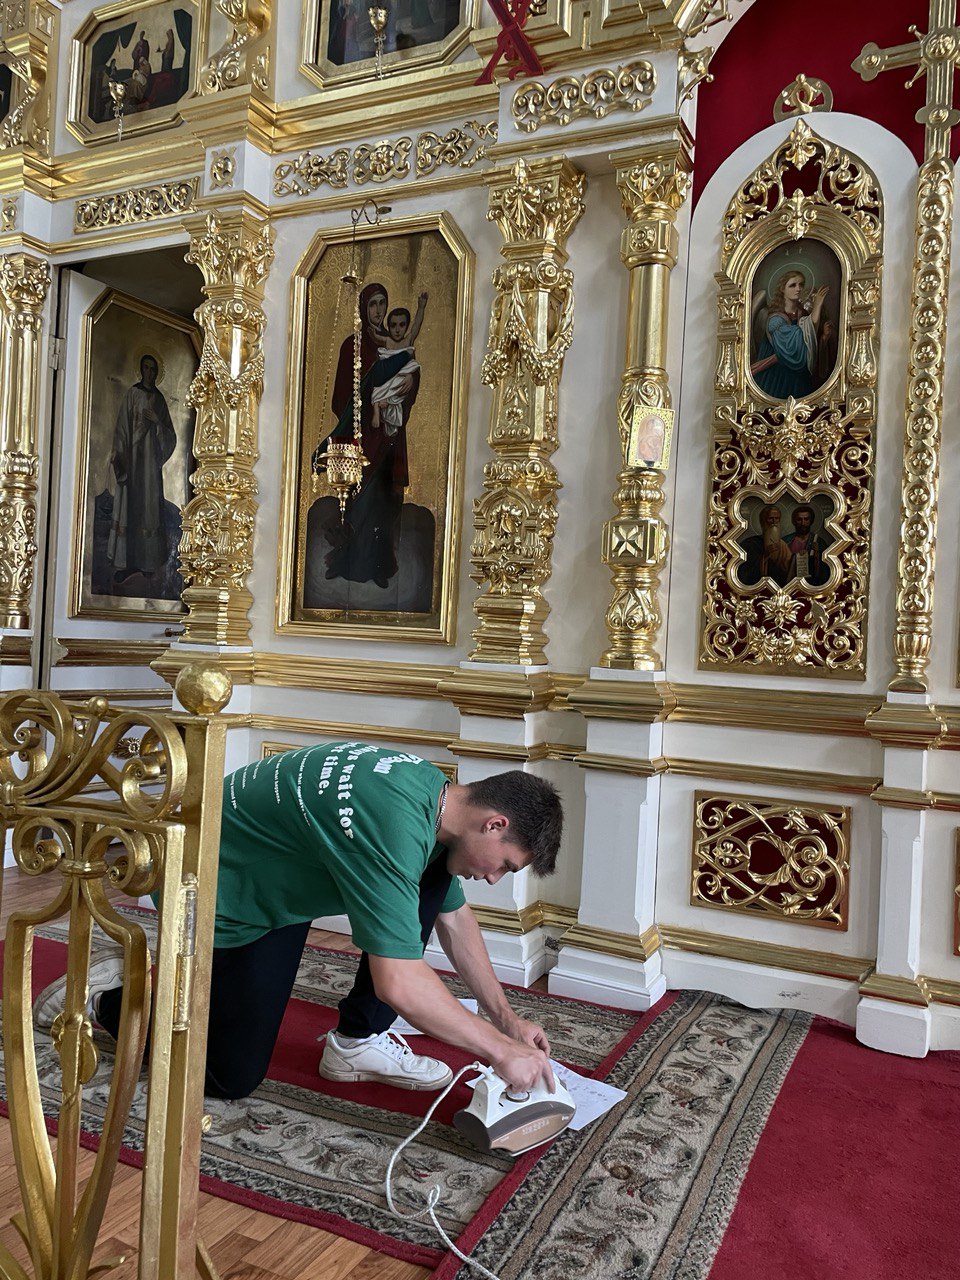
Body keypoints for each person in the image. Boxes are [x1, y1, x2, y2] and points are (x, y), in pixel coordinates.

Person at [85, 744, 563, 1101]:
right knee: (227, 1076)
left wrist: (506, 1022)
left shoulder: (434, 794)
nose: (495, 879)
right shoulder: (392, 823)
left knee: (436, 873)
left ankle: (358, 1041)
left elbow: (453, 917)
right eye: (506, 865)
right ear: (495, 824)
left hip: (276, 876)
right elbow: (398, 982)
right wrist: (500, 1052)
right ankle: (110, 998)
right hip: (217, 891)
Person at [318, 281, 420, 589]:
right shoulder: (353, 345)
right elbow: (340, 397)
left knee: (384, 501)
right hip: (362, 437)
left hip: (390, 436)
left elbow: (410, 371)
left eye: (382, 304)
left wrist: (410, 383)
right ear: (364, 307)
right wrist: (363, 411)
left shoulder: (395, 341)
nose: (378, 310)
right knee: (358, 500)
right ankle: (346, 561)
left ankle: (379, 565)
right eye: (373, 304)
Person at [106, 353, 176, 585]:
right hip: (133, 463)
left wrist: (157, 422)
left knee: (148, 510)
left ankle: (148, 562)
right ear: (141, 370)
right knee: (131, 509)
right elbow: (122, 429)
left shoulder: (160, 400)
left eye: (153, 369)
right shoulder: (132, 395)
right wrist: (121, 457)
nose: (149, 373)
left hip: (150, 469)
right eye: (146, 368)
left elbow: (170, 436)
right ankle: (127, 564)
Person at [751, 270, 829, 399]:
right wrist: (817, 306)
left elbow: (809, 348)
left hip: (800, 378)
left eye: (801, 284)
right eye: (793, 285)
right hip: (777, 378)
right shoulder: (775, 319)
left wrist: (824, 339)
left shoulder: (803, 314)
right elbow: (791, 348)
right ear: (782, 289)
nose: (798, 289)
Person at [371, 292, 428, 433]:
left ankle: (386, 405)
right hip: (388, 379)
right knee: (379, 391)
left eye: (402, 325)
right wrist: (372, 333)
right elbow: (376, 338)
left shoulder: (408, 340)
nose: (397, 330)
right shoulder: (388, 341)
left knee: (397, 389)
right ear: (389, 326)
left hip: (401, 377)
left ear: (406, 326)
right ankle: (377, 411)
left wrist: (421, 307)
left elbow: (417, 325)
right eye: (393, 325)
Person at [739, 502, 792, 587]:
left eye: (777, 518)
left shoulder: (783, 545)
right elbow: (745, 574)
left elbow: (790, 570)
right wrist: (765, 556)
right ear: (763, 521)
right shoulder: (750, 544)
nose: (774, 522)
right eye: (770, 518)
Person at [782, 503, 829, 586]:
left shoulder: (819, 542)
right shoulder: (786, 541)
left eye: (806, 519)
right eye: (799, 519)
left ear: (811, 521)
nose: (803, 523)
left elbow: (825, 570)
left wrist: (817, 554)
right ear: (794, 521)